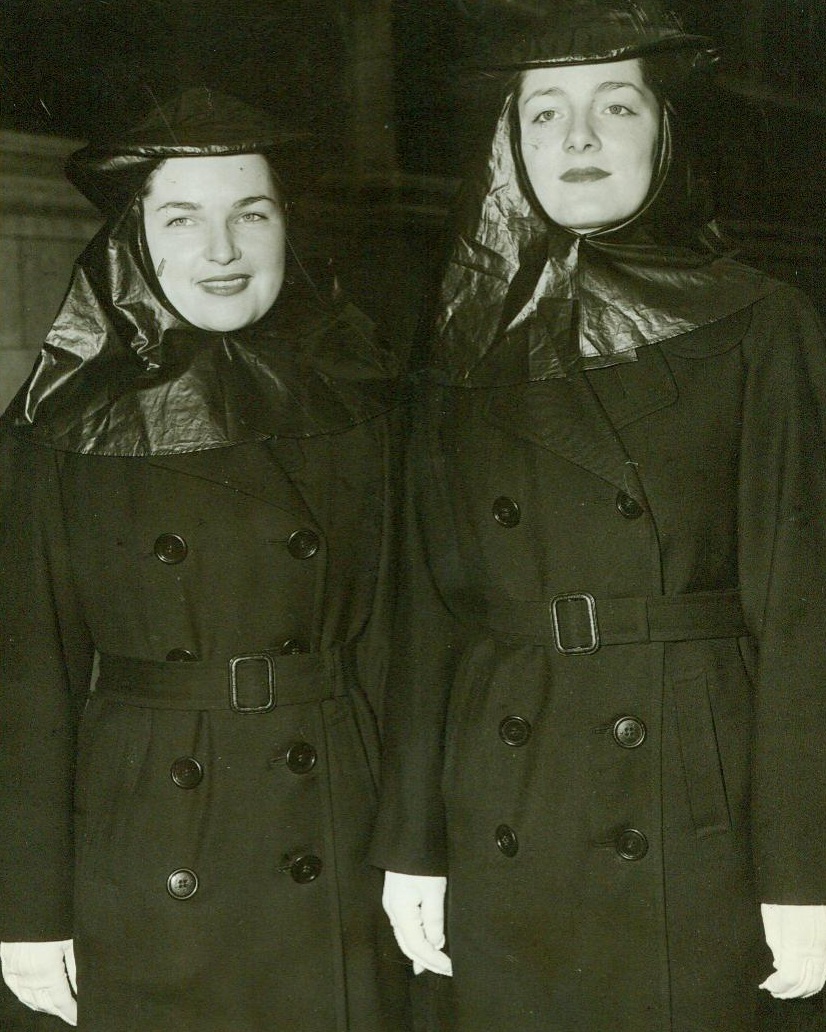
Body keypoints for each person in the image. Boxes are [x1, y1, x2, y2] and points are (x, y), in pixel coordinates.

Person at [369, 2, 826, 1029]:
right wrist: (413, 844)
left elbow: (803, 617)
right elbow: (426, 614)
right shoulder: (461, 345)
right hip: (503, 796)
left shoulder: (759, 323)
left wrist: (803, 874)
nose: (575, 139)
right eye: (543, 113)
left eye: (613, 106)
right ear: (510, 144)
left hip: (690, 810)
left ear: (665, 133)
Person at [0, 87, 410, 1032]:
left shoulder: (371, 407)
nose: (221, 251)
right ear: (134, 240)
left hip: (338, 838)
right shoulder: (57, 431)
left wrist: (418, 855)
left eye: (250, 213)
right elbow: (25, 686)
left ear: (286, 229)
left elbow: (402, 653)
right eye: (182, 218)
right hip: (146, 839)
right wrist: (27, 911)